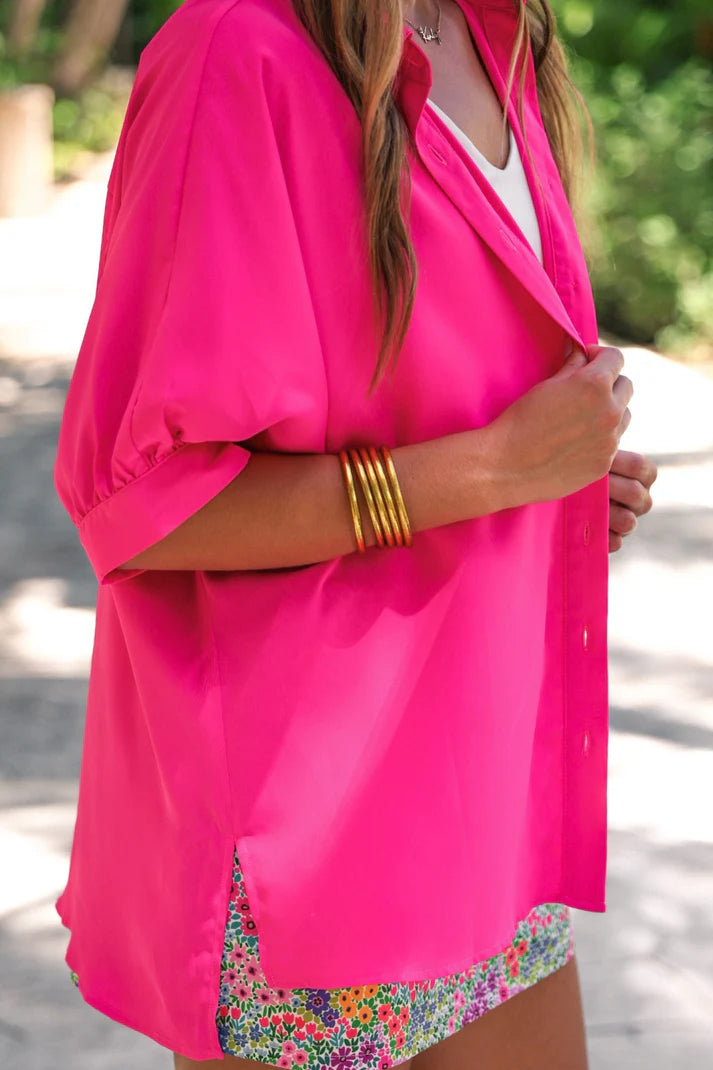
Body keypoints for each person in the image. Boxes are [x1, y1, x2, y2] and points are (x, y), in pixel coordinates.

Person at [53, 0, 658, 1067]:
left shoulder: (496, 28)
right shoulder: (237, 46)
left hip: (481, 793)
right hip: (313, 834)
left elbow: (420, 396)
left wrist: (540, 487)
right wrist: (489, 470)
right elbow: (138, 504)